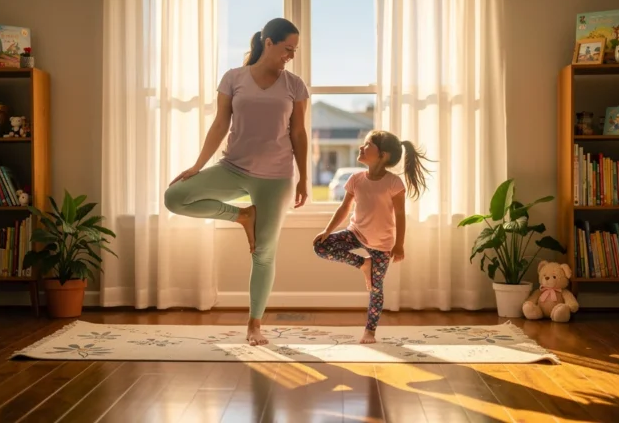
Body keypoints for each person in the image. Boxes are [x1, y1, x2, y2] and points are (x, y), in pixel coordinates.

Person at [164, 18, 309, 346]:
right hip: (233, 168)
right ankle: (242, 215)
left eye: (295, 50)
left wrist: (303, 179)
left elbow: (298, 133)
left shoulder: (294, 85)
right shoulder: (233, 78)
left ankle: (254, 325)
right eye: (287, 48)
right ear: (268, 43)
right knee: (175, 197)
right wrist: (197, 166)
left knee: (264, 252)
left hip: (276, 176)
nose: (291, 55)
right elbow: (219, 125)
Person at [313, 130, 433, 344]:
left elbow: (399, 215)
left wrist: (399, 245)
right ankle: (363, 264)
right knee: (320, 247)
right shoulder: (356, 179)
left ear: (383, 155)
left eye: (367, 144)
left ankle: (370, 332)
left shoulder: (394, 183)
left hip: (382, 245)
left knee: (376, 290)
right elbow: (343, 209)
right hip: (355, 233)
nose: (361, 147)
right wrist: (328, 231)